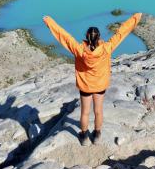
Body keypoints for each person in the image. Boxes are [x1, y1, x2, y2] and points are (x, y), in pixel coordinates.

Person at [43, 12, 142, 146]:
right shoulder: (106, 48)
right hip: (100, 86)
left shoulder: (79, 50)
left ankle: (83, 137)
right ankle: (96, 135)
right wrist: (136, 17)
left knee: (85, 112)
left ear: (86, 37)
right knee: (98, 111)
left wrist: (49, 21)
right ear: (99, 37)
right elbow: (121, 33)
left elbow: (64, 37)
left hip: (85, 86)